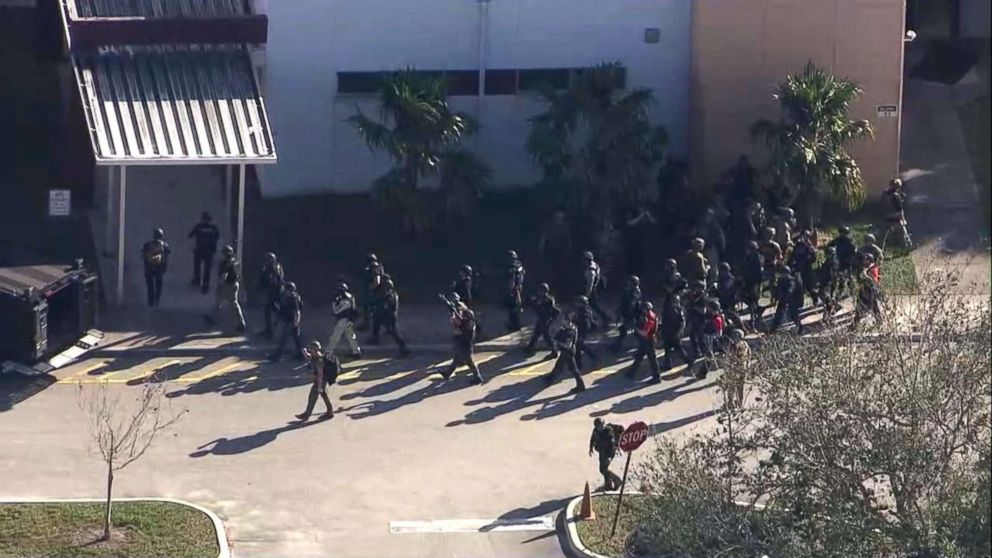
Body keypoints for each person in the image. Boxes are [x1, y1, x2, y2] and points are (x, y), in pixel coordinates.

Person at [439, 293, 484, 384]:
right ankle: (448, 373)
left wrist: (453, 316)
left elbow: (458, 322)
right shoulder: (464, 308)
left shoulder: (459, 310)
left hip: (464, 335)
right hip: (469, 334)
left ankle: (478, 377)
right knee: (457, 356)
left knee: (468, 359)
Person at [204, 245, 247, 333]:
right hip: (235, 284)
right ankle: (214, 317)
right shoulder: (236, 261)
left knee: (227, 303)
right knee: (228, 303)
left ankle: (239, 323)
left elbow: (224, 275)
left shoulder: (225, 263)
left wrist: (220, 285)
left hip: (227, 285)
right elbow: (239, 274)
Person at [543, 312, 586, 392]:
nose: (562, 321)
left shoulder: (569, 331)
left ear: (567, 321)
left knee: (574, 369)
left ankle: (581, 385)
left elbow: (568, 344)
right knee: (559, 365)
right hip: (568, 351)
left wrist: (558, 343)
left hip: (568, 352)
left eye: (564, 320)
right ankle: (550, 378)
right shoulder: (572, 327)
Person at [295, 341, 335, 422]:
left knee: (313, 396)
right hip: (320, 380)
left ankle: (307, 414)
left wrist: (320, 386)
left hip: (320, 380)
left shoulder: (319, 360)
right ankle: (330, 411)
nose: (309, 350)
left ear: (314, 350)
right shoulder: (315, 356)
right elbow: (310, 357)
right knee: (324, 395)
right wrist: (305, 353)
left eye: (310, 349)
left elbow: (320, 375)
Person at [624, 301, 661, 384]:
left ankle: (657, 377)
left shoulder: (649, 319)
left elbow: (645, 333)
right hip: (647, 340)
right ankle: (631, 373)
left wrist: (635, 328)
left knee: (652, 360)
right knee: (639, 356)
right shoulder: (650, 315)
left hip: (649, 341)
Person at [373, 278, 410, 357]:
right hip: (386, 315)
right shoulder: (387, 294)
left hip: (390, 316)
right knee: (376, 324)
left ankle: (404, 349)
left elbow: (390, 306)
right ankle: (376, 339)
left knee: (394, 333)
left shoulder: (391, 295)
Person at [269, 282, 304, 361]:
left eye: (285, 288)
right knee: (296, 339)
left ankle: (278, 356)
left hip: (291, 321)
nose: (283, 289)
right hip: (289, 320)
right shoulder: (286, 297)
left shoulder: (292, 298)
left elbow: (297, 312)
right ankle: (301, 355)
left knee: (283, 339)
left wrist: (295, 322)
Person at [187, 211, 220, 294]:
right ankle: (205, 286)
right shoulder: (213, 228)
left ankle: (197, 280)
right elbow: (217, 237)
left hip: (199, 249)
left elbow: (190, 235)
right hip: (209, 250)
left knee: (197, 266)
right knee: (207, 269)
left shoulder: (199, 226)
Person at [326, 282, 362, 358]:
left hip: (342, 320)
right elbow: (353, 309)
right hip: (349, 320)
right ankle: (356, 352)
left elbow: (336, 311)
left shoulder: (341, 299)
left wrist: (334, 303)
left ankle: (328, 352)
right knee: (351, 336)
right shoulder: (350, 296)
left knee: (335, 337)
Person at [525, 283, 560, 358]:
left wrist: (538, 303)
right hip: (542, 318)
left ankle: (554, 350)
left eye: (540, 291)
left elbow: (546, 309)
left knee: (546, 336)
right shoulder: (541, 298)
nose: (539, 292)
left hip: (545, 319)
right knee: (536, 333)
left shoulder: (548, 300)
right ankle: (530, 347)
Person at [589, 418, 624, 491]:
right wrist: (591, 448)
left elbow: (611, 444)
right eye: (597, 426)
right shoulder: (596, 430)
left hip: (609, 452)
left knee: (604, 469)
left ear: (603, 424)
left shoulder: (608, 431)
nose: (599, 427)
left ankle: (617, 480)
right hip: (602, 452)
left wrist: (609, 456)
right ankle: (608, 484)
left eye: (600, 425)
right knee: (602, 469)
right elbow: (593, 438)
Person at [141, 228, 171, 308]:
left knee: (150, 286)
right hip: (159, 268)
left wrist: (146, 267)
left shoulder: (147, 244)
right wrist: (165, 267)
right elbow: (166, 257)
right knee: (158, 285)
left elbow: (143, 256)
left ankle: (150, 301)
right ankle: (157, 301)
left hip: (149, 268)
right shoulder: (165, 245)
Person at [695, 300, 726, 379]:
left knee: (718, 357)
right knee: (710, 357)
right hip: (710, 340)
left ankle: (702, 374)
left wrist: (715, 339)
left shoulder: (717, 319)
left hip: (714, 341)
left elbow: (719, 332)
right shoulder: (711, 316)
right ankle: (702, 374)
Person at [660, 293, 690, 372]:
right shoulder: (669, 309)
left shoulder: (679, 311)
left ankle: (689, 361)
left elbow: (682, 323)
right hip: (668, 332)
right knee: (667, 349)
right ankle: (668, 364)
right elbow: (665, 321)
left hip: (675, 333)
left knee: (678, 349)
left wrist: (679, 333)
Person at [722, 328, 751, 409]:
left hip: (734, 369)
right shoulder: (745, 344)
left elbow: (729, 358)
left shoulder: (733, 347)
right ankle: (740, 403)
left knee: (731, 386)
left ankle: (730, 402)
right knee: (740, 387)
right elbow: (749, 355)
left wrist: (726, 368)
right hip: (743, 368)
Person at [623, 205, 656, 277]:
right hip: (632, 241)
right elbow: (629, 223)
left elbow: (653, 222)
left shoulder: (645, 215)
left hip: (642, 240)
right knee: (632, 257)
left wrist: (648, 215)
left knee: (641, 257)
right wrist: (640, 216)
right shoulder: (632, 213)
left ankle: (640, 273)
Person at [770, 265, 804, 334]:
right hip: (783, 299)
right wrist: (775, 298)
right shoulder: (781, 280)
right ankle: (773, 329)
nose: (783, 275)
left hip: (792, 299)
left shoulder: (791, 280)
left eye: (784, 273)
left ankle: (800, 329)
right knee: (778, 314)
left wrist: (784, 297)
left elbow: (790, 290)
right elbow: (778, 289)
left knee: (794, 314)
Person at [257, 252, 285, 339]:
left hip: (274, 292)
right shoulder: (276, 266)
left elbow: (272, 280)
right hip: (275, 291)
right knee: (272, 309)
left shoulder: (273, 268)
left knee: (268, 310)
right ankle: (269, 329)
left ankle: (270, 332)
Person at [612, 275, 642, 353]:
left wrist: (630, 314)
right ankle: (617, 346)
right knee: (625, 330)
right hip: (628, 314)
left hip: (632, 315)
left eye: (630, 282)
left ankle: (617, 347)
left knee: (627, 330)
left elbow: (633, 303)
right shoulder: (629, 290)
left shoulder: (636, 291)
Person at [853, 253, 884, 327]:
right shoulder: (865, 268)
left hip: (871, 291)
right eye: (864, 260)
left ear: (869, 260)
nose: (864, 261)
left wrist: (866, 276)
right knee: (859, 307)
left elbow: (874, 281)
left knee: (874, 307)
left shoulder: (873, 269)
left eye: (866, 260)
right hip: (863, 290)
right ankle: (855, 324)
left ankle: (879, 322)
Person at [716, 262, 748, 333]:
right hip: (725, 301)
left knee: (733, 316)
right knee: (729, 316)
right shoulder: (722, 279)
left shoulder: (729, 279)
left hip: (729, 300)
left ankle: (743, 328)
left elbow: (735, 287)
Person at [581, 251, 611, 327]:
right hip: (596, 288)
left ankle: (599, 321)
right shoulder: (595, 265)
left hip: (592, 291)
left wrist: (586, 297)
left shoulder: (589, 272)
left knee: (591, 306)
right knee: (594, 306)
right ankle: (603, 319)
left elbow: (589, 286)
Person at [789, 229, 818, 303]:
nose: (804, 237)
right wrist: (790, 265)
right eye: (803, 235)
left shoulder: (809, 246)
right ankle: (799, 302)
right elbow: (793, 256)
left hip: (806, 269)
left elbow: (814, 258)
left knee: (809, 286)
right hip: (798, 268)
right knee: (798, 286)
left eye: (806, 236)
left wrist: (810, 257)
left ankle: (815, 298)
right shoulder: (798, 245)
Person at [741, 241, 765, 329]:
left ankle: (753, 318)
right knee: (749, 300)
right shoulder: (750, 257)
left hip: (754, 281)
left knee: (752, 300)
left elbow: (757, 271)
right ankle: (756, 312)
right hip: (749, 281)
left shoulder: (757, 258)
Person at [828, 226, 858, 295]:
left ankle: (851, 292)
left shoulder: (849, 241)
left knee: (849, 277)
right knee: (836, 278)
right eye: (841, 233)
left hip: (847, 261)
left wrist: (851, 258)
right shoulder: (837, 240)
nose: (842, 234)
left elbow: (854, 251)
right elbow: (829, 246)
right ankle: (834, 293)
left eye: (844, 233)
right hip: (838, 261)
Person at [359, 253, 385, 330]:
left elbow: (377, 281)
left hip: (376, 292)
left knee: (368, 307)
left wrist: (369, 290)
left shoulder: (374, 267)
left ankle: (367, 324)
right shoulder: (377, 266)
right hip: (376, 291)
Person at [884, 178, 912, 248]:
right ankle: (906, 247)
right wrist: (903, 219)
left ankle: (891, 246)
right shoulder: (896, 196)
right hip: (895, 217)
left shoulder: (885, 194)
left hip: (886, 216)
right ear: (898, 187)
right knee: (903, 233)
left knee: (890, 233)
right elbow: (899, 209)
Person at [573, 296, 598, 369]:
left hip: (582, 332)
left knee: (579, 348)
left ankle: (579, 365)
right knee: (580, 347)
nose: (576, 304)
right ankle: (579, 364)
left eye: (579, 303)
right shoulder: (582, 310)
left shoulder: (585, 313)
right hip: (579, 331)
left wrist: (581, 335)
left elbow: (586, 325)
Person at [505, 250, 526, 332]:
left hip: (515, 288)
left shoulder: (512, 266)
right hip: (520, 287)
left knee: (512, 307)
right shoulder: (519, 265)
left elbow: (512, 279)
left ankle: (514, 325)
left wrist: (510, 290)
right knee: (517, 306)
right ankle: (515, 324)